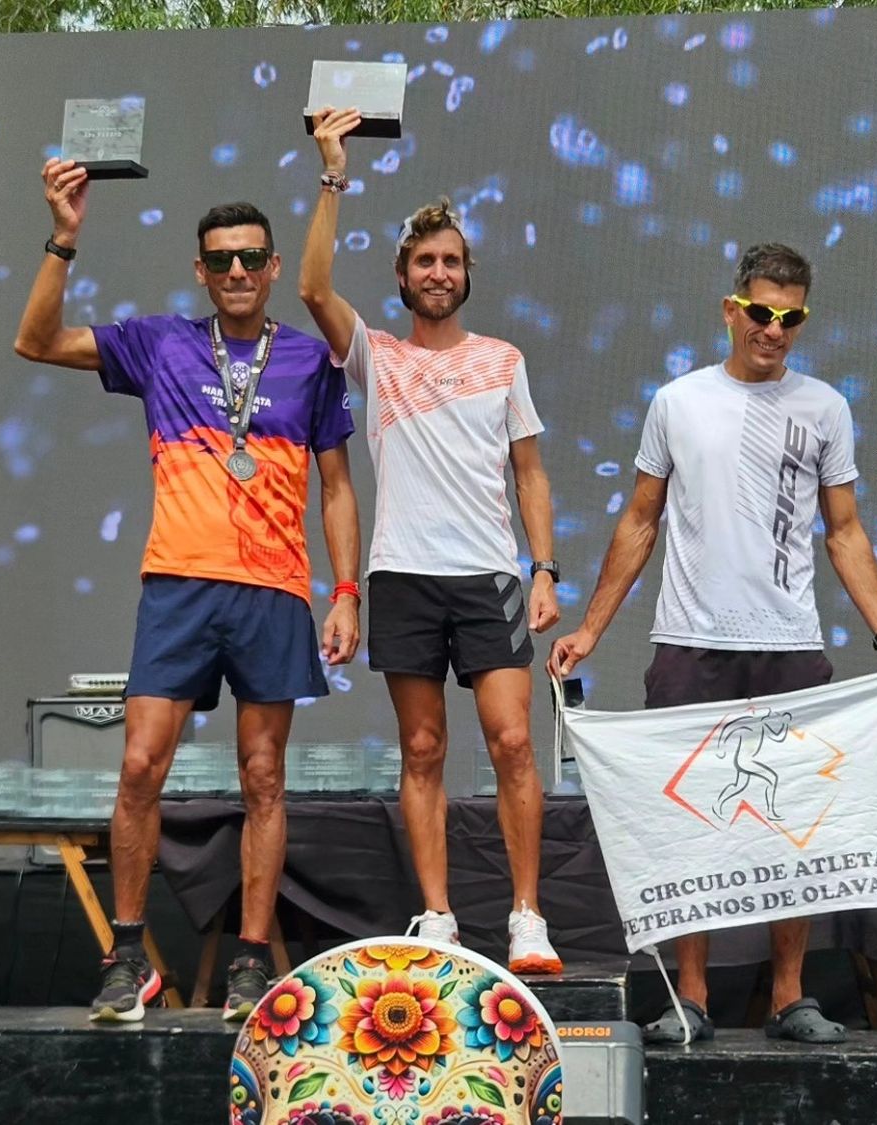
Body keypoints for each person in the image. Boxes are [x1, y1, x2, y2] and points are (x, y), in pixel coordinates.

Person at [549, 243, 877, 1042]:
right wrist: (589, 627)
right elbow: (640, 518)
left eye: (791, 316)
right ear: (732, 310)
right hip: (691, 639)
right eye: (761, 312)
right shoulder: (679, 402)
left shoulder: (824, 406)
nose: (774, 329)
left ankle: (791, 994)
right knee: (695, 821)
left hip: (789, 641)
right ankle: (693, 995)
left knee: (791, 822)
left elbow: (845, 530)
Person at [14, 160, 361, 1021]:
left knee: (264, 778)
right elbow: (36, 339)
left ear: (274, 265)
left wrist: (346, 588)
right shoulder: (161, 342)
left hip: (274, 588)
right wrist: (65, 235)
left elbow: (339, 487)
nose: (236, 272)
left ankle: (250, 961)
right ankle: (127, 960)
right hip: (177, 583)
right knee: (138, 767)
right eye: (220, 260)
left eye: (250, 257)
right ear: (200, 271)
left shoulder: (312, 362)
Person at [300, 108, 564, 974]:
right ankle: (440, 915)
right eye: (425, 261)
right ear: (404, 277)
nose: (439, 272)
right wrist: (333, 176)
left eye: (451, 260)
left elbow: (530, 473)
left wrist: (545, 568)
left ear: (467, 274)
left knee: (514, 741)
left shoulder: (503, 360)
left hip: (489, 574)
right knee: (422, 748)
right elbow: (309, 288)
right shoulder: (376, 355)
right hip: (404, 575)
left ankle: (528, 917)